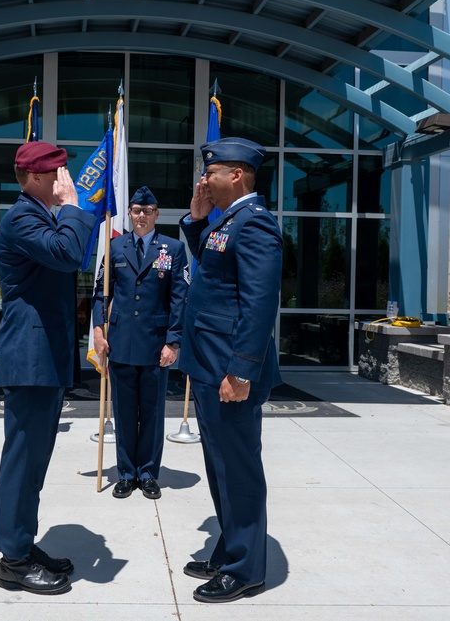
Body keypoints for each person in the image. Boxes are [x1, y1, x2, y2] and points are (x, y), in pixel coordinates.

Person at [177, 137, 283, 604]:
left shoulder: (257, 225)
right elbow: (214, 268)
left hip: (230, 370)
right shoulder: (228, 222)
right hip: (208, 363)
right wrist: (197, 221)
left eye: (211, 173)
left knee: (237, 469)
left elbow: (259, 304)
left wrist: (241, 370)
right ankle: (230, 546)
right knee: (219, 466)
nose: (205, 180)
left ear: (235, 175)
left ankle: (246, 569)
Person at [0, 141, 96, 595]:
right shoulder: (22, 218)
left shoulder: (41, 216)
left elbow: (71, 252)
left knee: (35, 462)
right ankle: (13, 562)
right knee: (23, 461)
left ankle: (22, 543)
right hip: (30, 360)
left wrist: (69, 212)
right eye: (59, 173)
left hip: (44, 358)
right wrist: (73, 207)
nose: (66, 181)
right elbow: (70, 254)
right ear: (37, 178)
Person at [91, 186, 188, 500]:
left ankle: (147, 473)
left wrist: (173, 342)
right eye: (135, 210)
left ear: (157, 214)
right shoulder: (115, 247)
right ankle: (126, 473)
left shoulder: (172, 249)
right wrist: (98, 330)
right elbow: (100, 294)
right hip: (120, 342)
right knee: (123, 411)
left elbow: (179, 299)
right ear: (129, 214)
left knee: (152, 412)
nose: (141, 216)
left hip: (155, 344)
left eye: (147, 211)